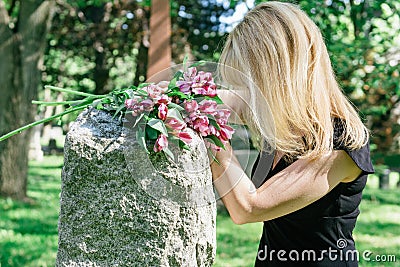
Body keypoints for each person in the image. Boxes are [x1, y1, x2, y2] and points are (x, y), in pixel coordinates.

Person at [211, 1, 374, 266]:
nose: (247, 91)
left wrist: (211, 136)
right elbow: (219, 100)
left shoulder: (341, 141)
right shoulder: (280, 118)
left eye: (250, 79)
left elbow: (248, 208)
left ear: (278, 74)